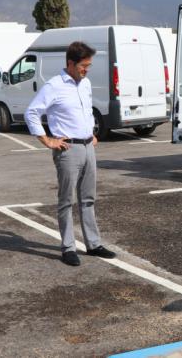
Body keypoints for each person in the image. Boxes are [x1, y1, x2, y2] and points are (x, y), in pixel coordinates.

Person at [25, 41, 116, 266]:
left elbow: (85, 111)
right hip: (68, 150)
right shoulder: (54, 86)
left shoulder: (85, 84)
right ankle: (68, 248)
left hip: (87, 147)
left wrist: (92, 133)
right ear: (70, 63)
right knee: (66, 201)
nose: (86, 70)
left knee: (88, 199)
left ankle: (93, 245)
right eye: (83, 65)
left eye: (89, 66)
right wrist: (47, 140)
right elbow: (32, 113)